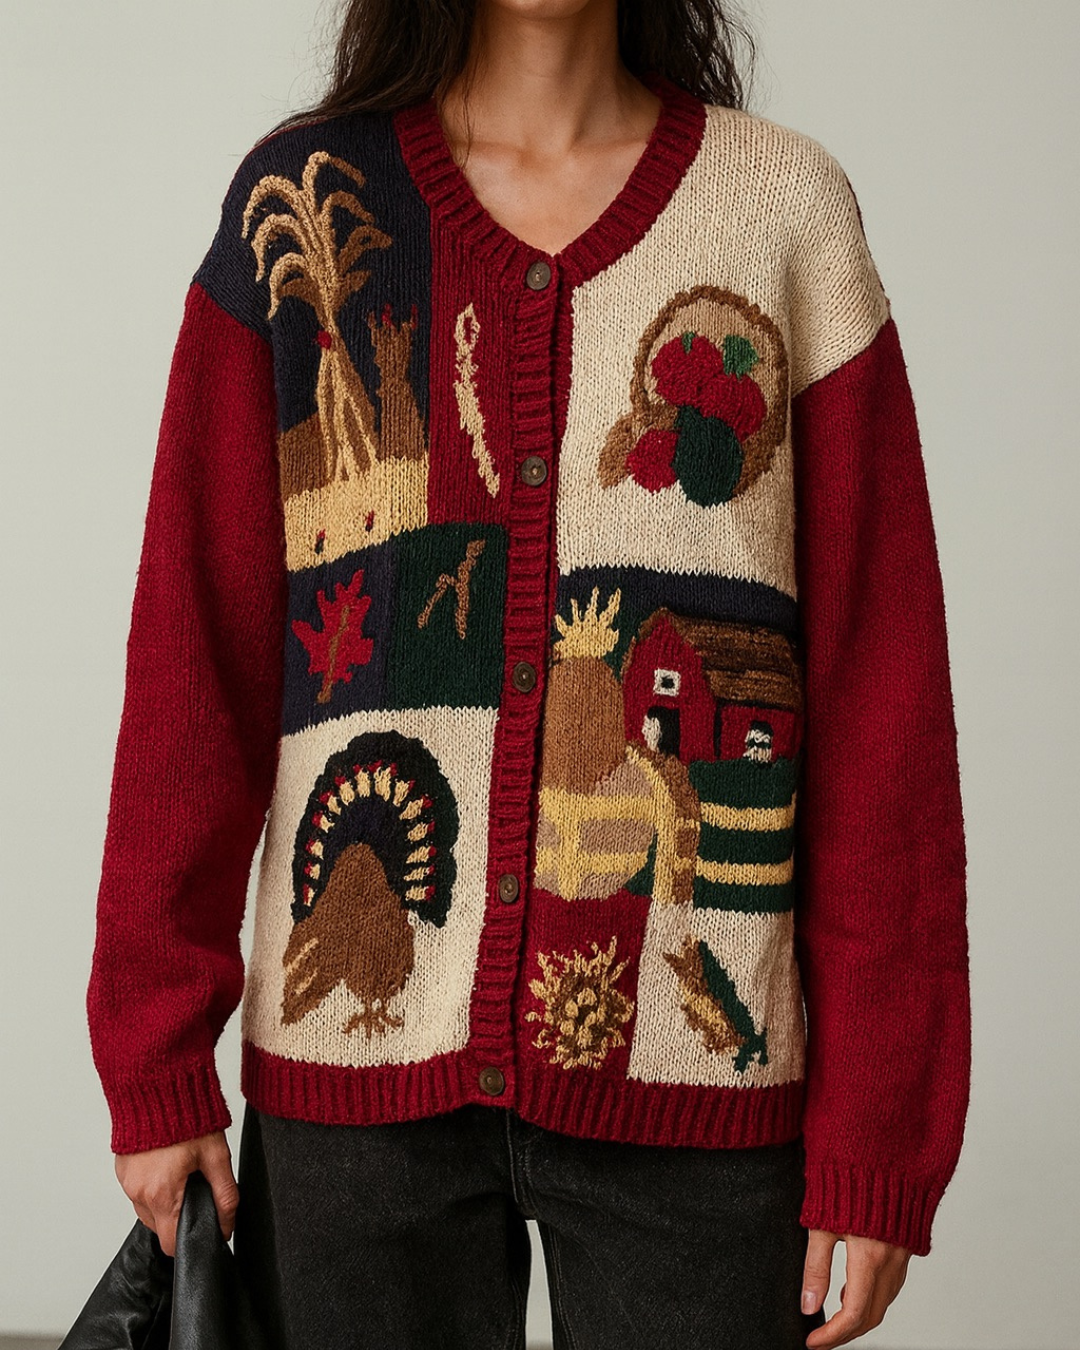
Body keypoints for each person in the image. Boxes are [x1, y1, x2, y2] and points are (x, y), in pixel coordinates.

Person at [86, 1, 972, 1347]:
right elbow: (192, 661)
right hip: (357, 1088)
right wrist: (156, 1056)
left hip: (698, 1098)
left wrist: (881, 1131)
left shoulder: (785, 212)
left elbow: (879, 697)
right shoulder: (302, 200)